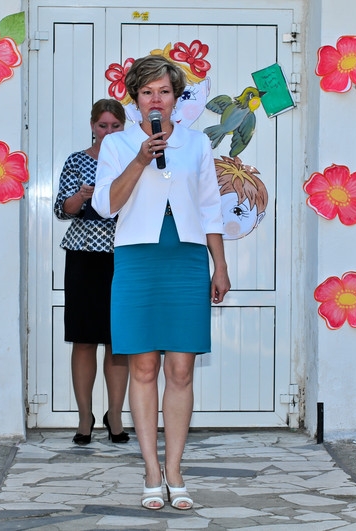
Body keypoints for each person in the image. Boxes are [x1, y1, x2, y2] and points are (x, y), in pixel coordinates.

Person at [92, 55, 230, 510]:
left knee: (181, 370)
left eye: (164, 92)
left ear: (176, 98)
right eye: (148, 92)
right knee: (144, 367)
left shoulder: (196, 143)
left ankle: (175, 469)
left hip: (187, 259)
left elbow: (210, 208)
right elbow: (106, 205)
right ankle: (151, 469)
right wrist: (139, 159)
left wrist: (220, 266)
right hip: (137, 260)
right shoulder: (118, 144)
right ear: (136, 98)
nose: (157, 100)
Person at [53, 98, 130, 445]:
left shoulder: (134, 160)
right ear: (92, 126)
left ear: (124, 127)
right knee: (84, 340)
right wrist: (83, 196)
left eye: (115, 126)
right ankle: (85, 417)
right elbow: (62, 210)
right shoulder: (76, 160)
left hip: (124, 255)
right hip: (83, 256)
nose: (108, 132)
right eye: (103, 125)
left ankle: (115, 416)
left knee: (118, 342)